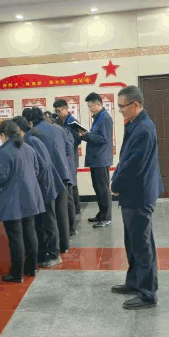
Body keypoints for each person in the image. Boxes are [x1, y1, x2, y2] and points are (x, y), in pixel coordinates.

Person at [110, 86, 164, 310]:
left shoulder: (144, 128)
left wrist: (116, 185)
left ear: (136, 105)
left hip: (139, 194)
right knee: (132, 242)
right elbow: (125, 158)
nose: (120, 110)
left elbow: (134, 165)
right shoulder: (135, 124)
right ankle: (134, 282)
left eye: (122, 106)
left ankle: (148, 293)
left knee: (142, 245)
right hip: (133, 194)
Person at [0, 120, 45, 283]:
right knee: (30, 233)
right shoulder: (28, 148)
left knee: (15, 237)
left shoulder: (5, 151)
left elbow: (2, 176)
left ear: (3, 135)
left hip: (12, 200)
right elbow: (37, 170)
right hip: (30, 196)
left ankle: (17, 274)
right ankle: (31, 268)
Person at [13, 116, 65, 268]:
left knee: (49, 221)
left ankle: (54, 254)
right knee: (41, 222)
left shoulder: (30, 141)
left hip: (44, 186)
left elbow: (41, 167)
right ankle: (43, 253)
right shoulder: (29, 139)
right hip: (42, 186)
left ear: (18, 129)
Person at [22, 107, 72, 253]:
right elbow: (69, 149)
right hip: (63, 174)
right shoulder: (58, 128)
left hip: (48, 177)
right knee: (62, 213)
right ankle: (64, 245)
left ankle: (52, 249)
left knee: (49, 216)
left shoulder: (32, 134)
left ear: (30, 122)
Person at [78, 92, 113, 228]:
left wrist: (86, 135)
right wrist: (85, 135)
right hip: (96, 159)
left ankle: (106, 217)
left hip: (101, 160)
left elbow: (103, 139)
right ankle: (101, 214)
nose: (90, 109)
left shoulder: (105, 118)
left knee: (103, 190)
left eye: (90, 106)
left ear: (98, 104)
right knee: (98, 189)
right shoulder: (98, 118)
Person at [45, 111, 78, 236]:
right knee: (68, 199)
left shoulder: (62, 132)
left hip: (65, 170)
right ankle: (70, 227)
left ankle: (71, 227)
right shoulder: (63, 131)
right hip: (66, 169)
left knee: (68, 200)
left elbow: (68, 150)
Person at [53, 99, 82, 216]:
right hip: (66, 157)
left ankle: (76, 209)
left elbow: (77, 140)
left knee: (72, 184)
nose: (58, 114)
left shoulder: (72, 122)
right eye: (56, 111)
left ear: (66, 109)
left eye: (59, 111)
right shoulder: (60, 121)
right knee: (71, 184)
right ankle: (75, 209)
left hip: (72, 157)